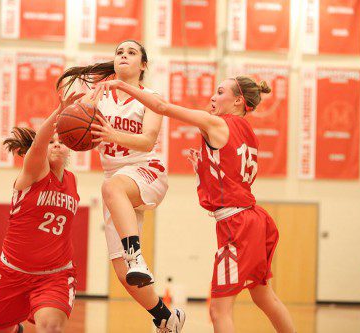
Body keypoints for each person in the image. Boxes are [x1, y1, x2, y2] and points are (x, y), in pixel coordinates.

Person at [92, 76, 296, 333]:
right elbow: (232, 173)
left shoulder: (216, 123)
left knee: (218, 311)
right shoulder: (248, 133)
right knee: (264, 296)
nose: (212, 97)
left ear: (237, 101)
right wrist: (204, 168)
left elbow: (162, 107)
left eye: (220, 92)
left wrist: (122, 86)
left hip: (237, 225)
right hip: (254, 219)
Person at [56, 40, 185, 332]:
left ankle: (135, 254)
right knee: (122, 274)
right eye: (119, 52)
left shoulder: (151, 97)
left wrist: (112, 134)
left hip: (146, 170)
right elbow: (71, 129)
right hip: (114, 179)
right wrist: (67, 118)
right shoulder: (96, 97)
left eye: (131, 53)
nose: (123, 56)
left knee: (112, 187)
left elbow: (148, 140)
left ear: (143, 65)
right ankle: (166, 318)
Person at [0, 91, 84, 333]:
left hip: (55, 274)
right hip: (12, 272)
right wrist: (60, 112)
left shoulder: (72, 180)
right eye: (52, 141)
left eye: (62, 140)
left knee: (50, 327)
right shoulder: (34, 172)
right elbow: (39, 142)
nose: (57, 144)